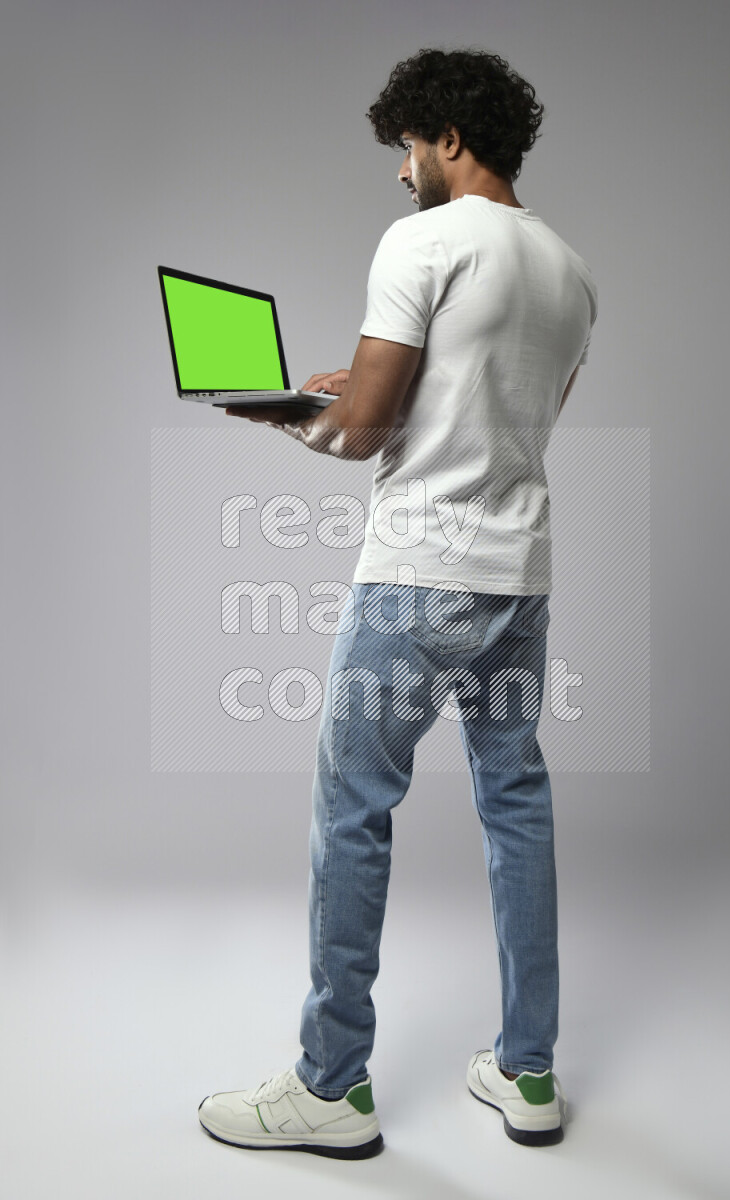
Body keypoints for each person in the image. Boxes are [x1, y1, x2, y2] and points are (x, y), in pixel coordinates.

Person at [198, 46, 597, 1158]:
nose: (401, 169)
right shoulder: (571, 272)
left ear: (448, 139)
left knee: (352, 808)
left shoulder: (420, 240)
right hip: (518, 580)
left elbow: (366, 435)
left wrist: (287, 412)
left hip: (418, 577)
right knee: (515, 804)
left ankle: (329, 1085)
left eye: (408, 146)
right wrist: (365, 379)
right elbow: (508, 414)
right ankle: (527, 1070)